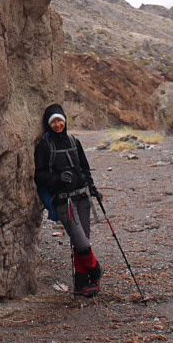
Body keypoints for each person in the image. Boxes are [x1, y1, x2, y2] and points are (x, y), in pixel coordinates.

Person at [34, 103, 103, 298]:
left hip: (82, 197)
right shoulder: (44, 147)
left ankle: (81, 285)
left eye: (60, 121)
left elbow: (84, 169)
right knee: (81, 243)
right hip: (64, 201)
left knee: (81, 241)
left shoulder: (74, 142)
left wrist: (93, 188)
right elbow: (38, 175)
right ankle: (95, 271)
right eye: (53, 121)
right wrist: (56, 179)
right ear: (48, 124)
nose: (57, 125)